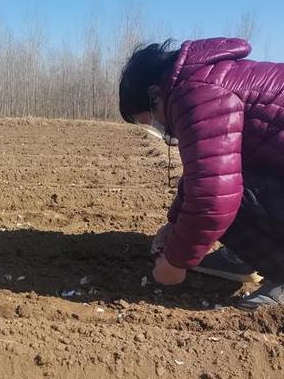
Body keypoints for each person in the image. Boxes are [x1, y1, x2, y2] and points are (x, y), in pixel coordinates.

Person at [119, 37, 284, 309]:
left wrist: (175, 262)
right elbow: (209, 167)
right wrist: (175, 223)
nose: (156, 127)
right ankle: (247, 258)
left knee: (225, 197)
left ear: (154, 95)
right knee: (227, 180)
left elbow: (212, 194)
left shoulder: (196, 93)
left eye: (145, 119)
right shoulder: (205, 80)